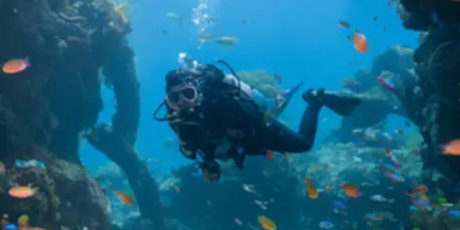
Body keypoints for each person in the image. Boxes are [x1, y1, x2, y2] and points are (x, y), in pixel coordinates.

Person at [155, 55, 362, 181]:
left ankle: (315, 99)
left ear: (197, 93)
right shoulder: (177, 121)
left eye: (188, 94)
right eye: (175, 98)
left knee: (304, 144)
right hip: (235, 144)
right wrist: (209, 165)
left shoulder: (217, 102)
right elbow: (198, 144)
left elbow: (253, 117)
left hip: (254, 128)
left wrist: (255, 137)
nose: (183, 102)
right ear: (168, 102)